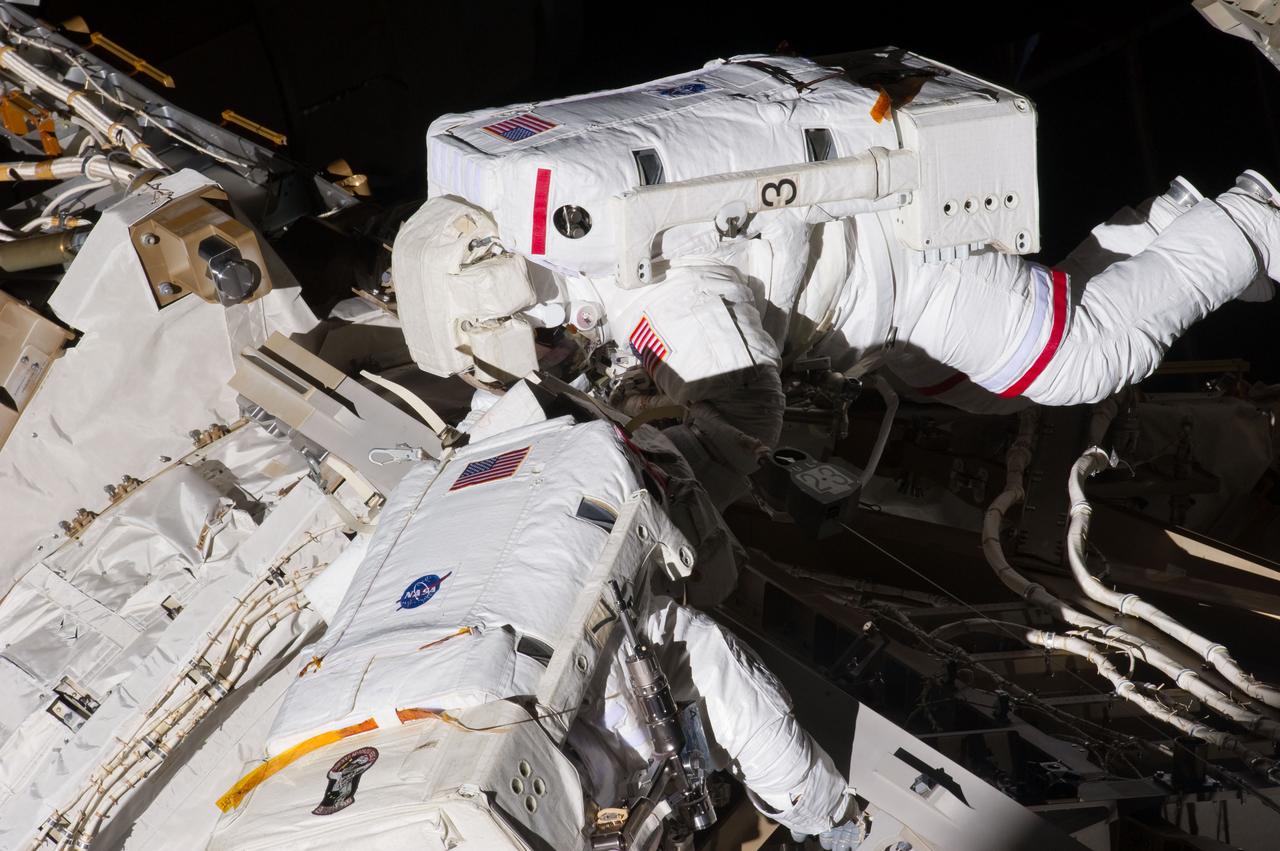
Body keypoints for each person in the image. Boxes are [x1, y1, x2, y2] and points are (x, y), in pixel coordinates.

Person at [402, 53, 1280, 507]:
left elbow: (747, 408)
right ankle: (1172, 230)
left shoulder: (646, 290)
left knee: (1077, 359)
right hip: (867, 292)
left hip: (908, 270)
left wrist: (691, 496)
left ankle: (1256, 221)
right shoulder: (553, 223)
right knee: (978, 391)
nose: (546, 358)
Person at [208, 394, 862, 850]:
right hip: (410, 725)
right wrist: (825, 815)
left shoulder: (432, 504)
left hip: (356, 739)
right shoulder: (614, 627)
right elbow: (718, 667)